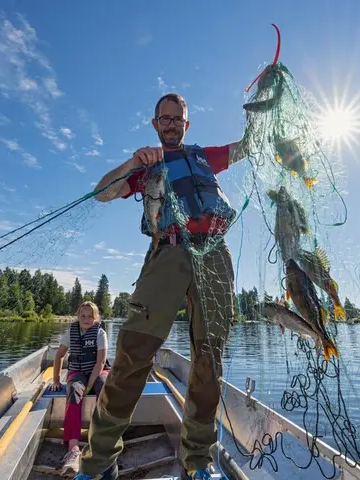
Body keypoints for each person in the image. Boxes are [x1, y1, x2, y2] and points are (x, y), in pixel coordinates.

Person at [75, 93, 246, 480]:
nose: (171, 124)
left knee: (208, 360)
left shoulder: (205, 156)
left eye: (178, 119)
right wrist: (135, 160)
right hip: (167, 252)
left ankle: (198, 461)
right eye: (164, 119)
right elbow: (102, 193)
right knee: (132, 354)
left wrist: (267, 109)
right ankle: (99, 462)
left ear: (187, 125)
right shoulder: (147, 165)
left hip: (215, 255)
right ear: (155, 124)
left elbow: (246, 147)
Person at [51, 301, 110, 475]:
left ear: (96, 318)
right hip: (77, 371)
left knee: (104, 388)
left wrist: (90, 385)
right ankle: (73, 449)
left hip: (97, 371)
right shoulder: (71, 333)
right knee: (74, 392)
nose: (86, 319)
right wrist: (55, 379)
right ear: (78, 317)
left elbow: (100, 363)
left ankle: (104, 438)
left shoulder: (100, 333)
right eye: (83, 316)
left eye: (90, 316)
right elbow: (59, 355)